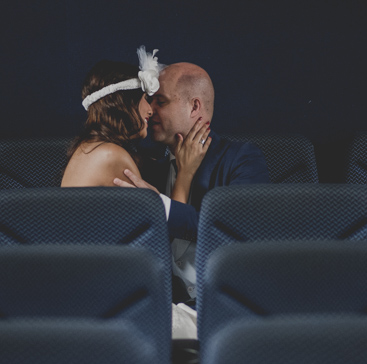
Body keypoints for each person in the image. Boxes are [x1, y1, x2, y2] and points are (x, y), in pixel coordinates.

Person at [61, 47, 207, 338]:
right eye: (145, 99)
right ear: (124, 102)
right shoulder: (112, 157)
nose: (150, 110)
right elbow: (164, 248)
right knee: (211, 326)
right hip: (112, 311)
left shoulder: (87, 149)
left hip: (88, 301)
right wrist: (185, 175)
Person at [114, 61, 270, 304]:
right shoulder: (146, 167)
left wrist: (160, 206)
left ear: (194, 106)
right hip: (162, 308)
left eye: (161, 101)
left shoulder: (243, 159)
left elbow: (236, 232)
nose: (149, 110)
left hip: (224, 306)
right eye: (150, 100)